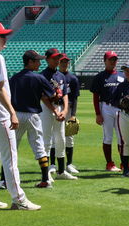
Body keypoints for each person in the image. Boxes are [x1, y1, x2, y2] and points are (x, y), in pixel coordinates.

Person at [0, 22, 40, 210]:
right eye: (2, 36)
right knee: (10, 158)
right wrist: (12, 112)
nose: (5, 40)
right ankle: (19, 199)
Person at [9, 50, 59, 189]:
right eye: (37, 60)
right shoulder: (39, 78)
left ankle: (4, 180)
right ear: (30, 62)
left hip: (16, 115)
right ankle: (45, 180)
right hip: (33, 115)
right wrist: (57, 93)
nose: (39, 63)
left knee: (11, 148)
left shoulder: (14, 78)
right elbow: (52, 95)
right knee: (39, 147)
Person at [40, 48, 77, 181]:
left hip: (60, 107)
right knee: (46, 140)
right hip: (46, 109)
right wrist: (55, 111)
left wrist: (65, 110)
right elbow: (43, 97)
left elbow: (65, 94)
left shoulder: (60, 75)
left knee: (61, 138)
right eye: (54, 58)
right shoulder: (43, 75)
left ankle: (61, 171)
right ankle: (46, 172)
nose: (57, 60)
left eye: (58, 58)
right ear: (47, 59)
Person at [90, 51, 123, 171]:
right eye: (110, 59)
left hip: (120, 109)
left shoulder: (122, 75)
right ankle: (110, 163)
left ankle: (124, 163)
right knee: (108, 137)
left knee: (122, 137)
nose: (113, 62)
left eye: (114, 59)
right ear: (105, 61)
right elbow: (95, 97)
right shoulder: (99, 77)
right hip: (106, 108)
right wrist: (98, 114)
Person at [59, 54, 81, 174]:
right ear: (58, 62)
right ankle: (52, 164)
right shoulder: (55, 76)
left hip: (69, 109)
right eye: (62, 61)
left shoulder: (73, 78)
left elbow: (75, 97)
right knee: (54, 137)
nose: (64, 63)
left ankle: (69, 164)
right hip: (57, 107)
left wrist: (73, 114)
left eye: (66, 62)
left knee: (69, 138)